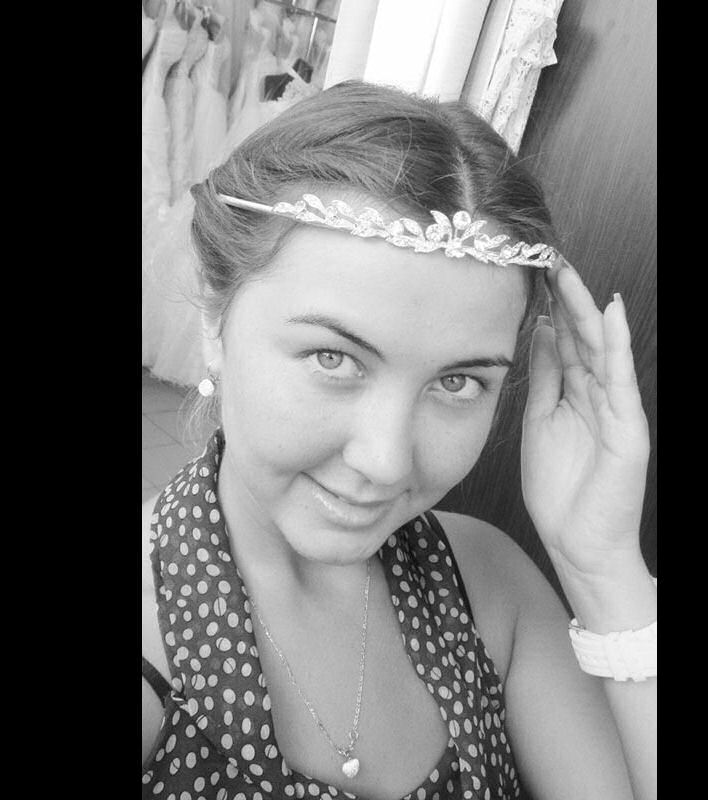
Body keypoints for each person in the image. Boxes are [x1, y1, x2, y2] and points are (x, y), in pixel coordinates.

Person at [141, 80, 656, 800]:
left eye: (457, 382)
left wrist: (602, 569)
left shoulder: (492, 587)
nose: (386, 463)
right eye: (333, 358)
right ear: (213, 319)